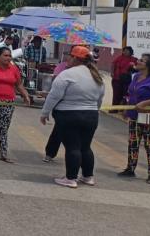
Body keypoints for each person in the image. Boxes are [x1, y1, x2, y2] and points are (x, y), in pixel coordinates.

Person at [40, 46, 105, 188]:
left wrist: (45, 113)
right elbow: (100, 99)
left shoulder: (67, 74)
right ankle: (88, 176)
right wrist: (95, 111)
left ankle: (70, 178)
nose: (67, 58)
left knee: (73, 147)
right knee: (85, 147)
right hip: (91, 115)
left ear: (76, 58)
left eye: (70, 56)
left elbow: (53, 96)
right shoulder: (96, 75)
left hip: (69, 115)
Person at [118, 54, 150, 184]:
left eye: (141, 61)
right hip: (134, 116)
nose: (137, 61)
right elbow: (131, 94)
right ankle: (130, 168)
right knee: (133, 143)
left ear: (148, 66)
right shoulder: (137, 76)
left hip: (148, 117)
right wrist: (127, 109)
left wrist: (145, 103)